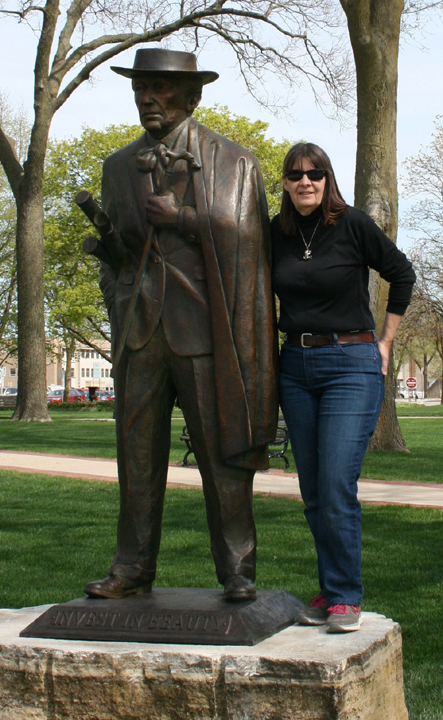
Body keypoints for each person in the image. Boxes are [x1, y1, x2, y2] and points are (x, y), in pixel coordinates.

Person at [84, 49, 278, 603]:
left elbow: (247, 242)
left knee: (222, 456)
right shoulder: (119, 166)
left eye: (159, 88)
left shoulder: (234, 162)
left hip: (203, 331)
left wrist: (184, 218)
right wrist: (116, 257)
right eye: (140, 87)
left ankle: (237, 570)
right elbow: (123, 253)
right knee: (136, 455)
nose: (147, 97)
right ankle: (132, 568)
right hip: (140, 330)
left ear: (192, 97)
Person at [271, 142, 415, 632]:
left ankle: (346, 597)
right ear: (285, 182)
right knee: (313, 491)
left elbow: (401, 273)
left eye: (314, 174)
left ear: (327, 179)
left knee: (335, 484)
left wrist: (387, 340)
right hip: (294, 365)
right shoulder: (276, 234)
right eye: (295, 175)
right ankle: (331, 591)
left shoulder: (353, 225)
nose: (305, 182)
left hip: (350, 364)